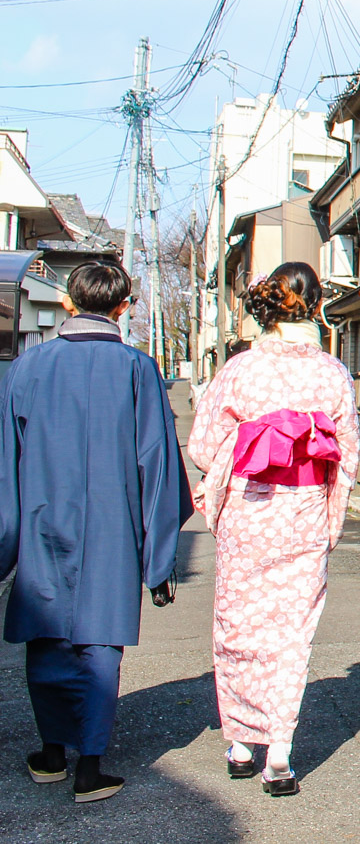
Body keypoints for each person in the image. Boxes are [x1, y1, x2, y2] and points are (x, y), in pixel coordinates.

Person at [0, 259, 187, 803]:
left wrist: (4, 546)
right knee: (99, 640)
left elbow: (6, 463)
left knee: (47, 631)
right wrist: (159, 559)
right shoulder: (137, 368)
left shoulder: (28, 368)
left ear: (67, 302)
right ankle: (91, 767)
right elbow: (157, 463)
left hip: (40, 517)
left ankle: (51, 754)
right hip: (112, 523)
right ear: (124, 307)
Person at [188, 261, 358, 797]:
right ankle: (279, 756)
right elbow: (346, 456)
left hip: (248, 508)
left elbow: (202, 444)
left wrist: (228, 467)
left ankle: (240, 743)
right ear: (316, 306)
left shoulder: (241, 369)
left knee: (238, 623)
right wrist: (332, 520)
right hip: (304, 507)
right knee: (291, 633)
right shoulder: (331, 372)